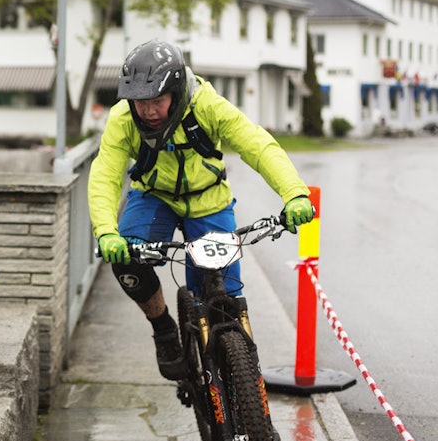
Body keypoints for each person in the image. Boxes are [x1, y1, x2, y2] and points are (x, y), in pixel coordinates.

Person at [88, 39, 314, 384]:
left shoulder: (208, 105)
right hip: (153, 197)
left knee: (225, 297)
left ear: (177, 92)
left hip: (209, 199)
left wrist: (294, 194)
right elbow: (105, 174)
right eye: (140, 102)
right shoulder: (123, 119)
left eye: (157, 101)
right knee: (126, 259)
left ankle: (246, 385)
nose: (147, 111)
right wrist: (106, 230)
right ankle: (163, 327)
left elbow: (257, 145)